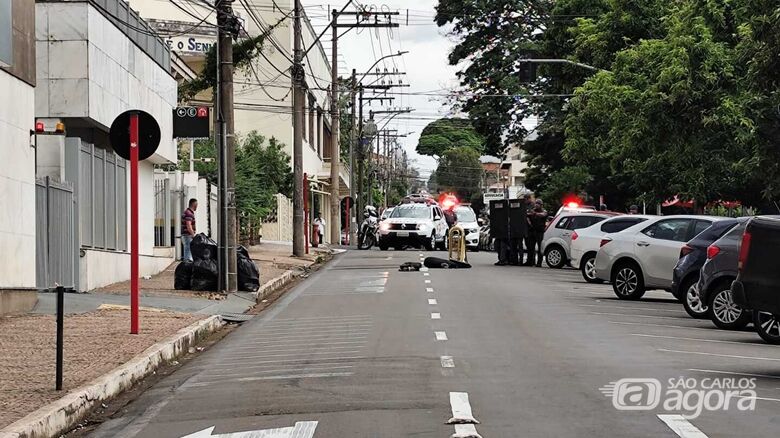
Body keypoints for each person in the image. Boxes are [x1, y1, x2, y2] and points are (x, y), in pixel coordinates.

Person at [526, 199, 548, 267]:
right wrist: (529, 222)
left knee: (540, 248)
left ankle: (539, 263)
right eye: (536, 203)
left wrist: (534, 213)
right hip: (533, 231)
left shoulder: (543, 211)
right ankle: (531, 262)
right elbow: (527, 215)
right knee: (531, 248)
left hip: (540, 232)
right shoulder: (533, 210)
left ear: (541, 205)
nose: (536, 205)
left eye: (538, 203)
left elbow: (543, 215)